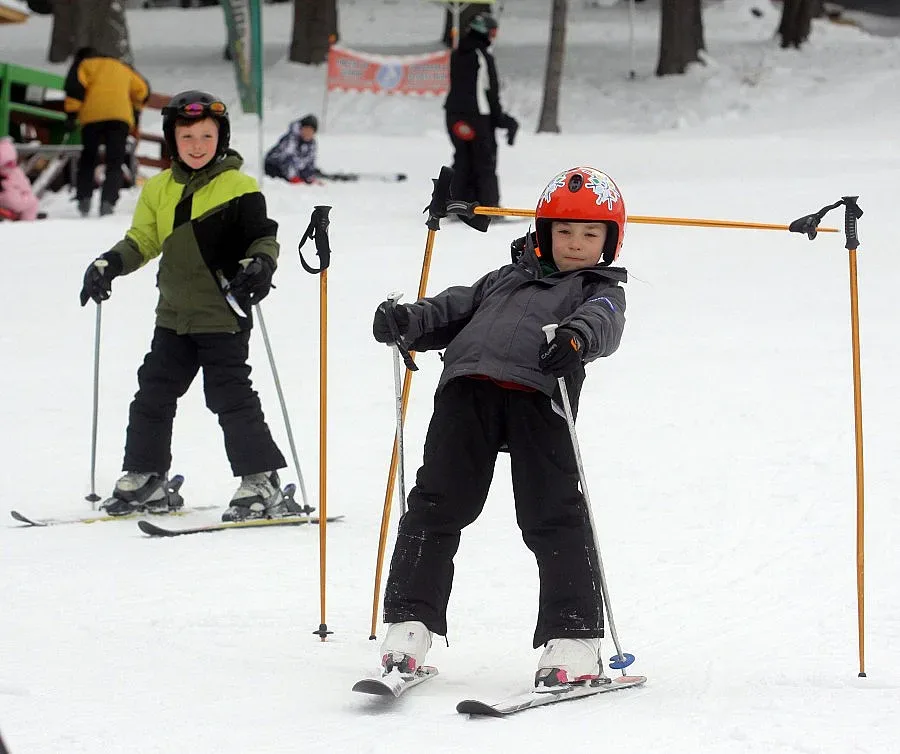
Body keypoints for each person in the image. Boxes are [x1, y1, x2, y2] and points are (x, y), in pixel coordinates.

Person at [371, 166, 628, 688]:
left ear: (609, 242)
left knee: (551, 513)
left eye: (589, 234)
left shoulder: (598, 288)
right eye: (564, 232)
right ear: (542, 232)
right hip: (468, 392)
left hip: (540, 397)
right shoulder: (503, 278)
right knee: (436, 504)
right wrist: (410, 320)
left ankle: (574, 639)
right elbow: (451, 308)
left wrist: (576, 339)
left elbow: (603, 322)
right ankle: (409, 626)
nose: (575, 245)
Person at [78, 90, 290, 523]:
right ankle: (147, 476)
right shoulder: (159, 188)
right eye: (187, 136)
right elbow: (143, 240)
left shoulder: (239, 187)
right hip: (173, 317)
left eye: (207, 136)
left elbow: (262, 237)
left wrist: (261, 264)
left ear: (221, 138)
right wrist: (109, 264)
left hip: (222, 314)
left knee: (229, 397)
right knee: (152, 394)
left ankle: (261, 481)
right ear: (172, 140)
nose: (197, 145)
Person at [443, 13, 518, 209]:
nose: (494, 37)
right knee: (485, 162)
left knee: (463, 159)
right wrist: (500, 118)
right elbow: (489, 91)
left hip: (454, 115)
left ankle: (458, 204)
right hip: (477, 116)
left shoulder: (457, 53)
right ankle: (488, 207)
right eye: (493, 32)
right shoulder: (481, 56)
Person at [64, 47, 150, 217]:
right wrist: (136, 110)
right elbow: (143, 90)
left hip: (93, 117)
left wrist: (71, 115)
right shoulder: (122, 66)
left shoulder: (85, 65)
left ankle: (84, 200)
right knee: (115, 161)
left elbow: (75, 89)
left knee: (89, 158)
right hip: (120, 118)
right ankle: (108, 202)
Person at [264, 114, 321, 184]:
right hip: (275, 165)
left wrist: (310, 177)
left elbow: (310, 162)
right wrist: (293, 177)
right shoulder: (291, 139)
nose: (308, 133)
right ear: (301, 128)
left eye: (311, 131)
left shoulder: (312, 144)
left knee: (311, 174)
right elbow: (287, 159)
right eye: (306, 129)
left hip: (295, 167)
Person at [0, 137, 41, 222]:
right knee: (31, 203)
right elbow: (24, 187)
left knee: (30, 203)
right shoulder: (14, 171)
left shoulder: (13, 171)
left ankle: (24, 223)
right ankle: (25, 225)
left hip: (11, 201)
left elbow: (24, 187)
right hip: (11, 201)